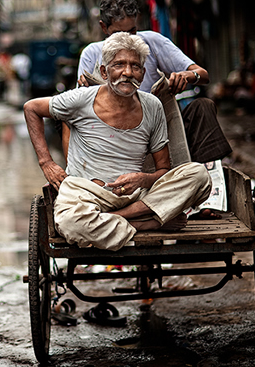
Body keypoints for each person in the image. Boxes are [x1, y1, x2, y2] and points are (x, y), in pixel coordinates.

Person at [24, 32, 212, 252]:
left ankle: (114, 219)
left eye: (135, 66)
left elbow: (163, 169)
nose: (127, 72)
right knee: (70, 223)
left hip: (133, 198)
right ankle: (145, 224)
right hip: (86, 194)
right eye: (119, 65)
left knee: (198, 176)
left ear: (143, 73)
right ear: (104, 71)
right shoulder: (82, 98)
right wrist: (46, 163)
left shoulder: (152, 106)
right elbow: (32, 108)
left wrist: (143, 179)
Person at [76, 0, 231, 220]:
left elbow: (202, 73)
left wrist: (187, 77)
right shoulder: (92, 54)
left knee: (203, 107)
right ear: (104, 28)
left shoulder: (152, 42)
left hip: (162, 131)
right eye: (119, 34)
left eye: (132, 32)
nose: (128, 41)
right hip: (118, 139)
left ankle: (208, 195)